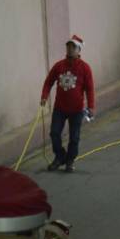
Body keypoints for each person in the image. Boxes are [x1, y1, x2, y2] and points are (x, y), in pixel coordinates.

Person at [39, 35, 95, 173]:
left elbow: (90, 89)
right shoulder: (59, 66)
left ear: (79, 50)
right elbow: (48, 82)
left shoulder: (85, 68)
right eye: (68, 46)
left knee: (74, 137)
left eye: (73, 47)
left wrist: (91, 106)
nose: (70, 49)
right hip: (60, 108)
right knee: (54, 133)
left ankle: (69, 161)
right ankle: (60, 157)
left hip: (76, 110)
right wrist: (44, 96)